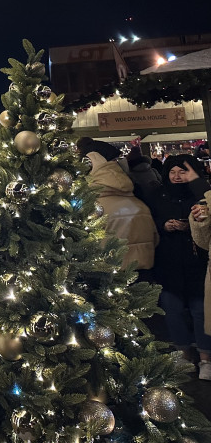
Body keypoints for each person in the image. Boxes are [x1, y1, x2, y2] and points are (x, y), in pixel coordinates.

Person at [147, 154, 211, 379]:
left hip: (198, 261)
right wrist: (164, 225)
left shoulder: (202, 194)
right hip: (168, 261)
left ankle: (205, 358)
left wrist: (190, 226)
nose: (177, 176)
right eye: (173, 172)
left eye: (182, 171)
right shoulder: (157, 194)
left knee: (201, 310)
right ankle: (183, 355)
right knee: (172, 310)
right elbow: (150, 221)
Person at [77, 137, 158, 272]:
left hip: (104, 279)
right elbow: (155, 239)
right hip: (143, 279)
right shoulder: (138, 202)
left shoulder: (88, 205)